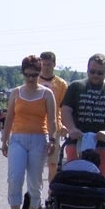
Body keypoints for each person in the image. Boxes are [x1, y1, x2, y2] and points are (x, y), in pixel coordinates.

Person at [1, 55, 56, 209]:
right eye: (27, 75)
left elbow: (52, 120)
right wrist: (4, 139)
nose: (31, 79)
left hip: (39, 139)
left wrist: (52, 139)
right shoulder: (16, 93)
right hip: (18, 138)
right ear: (23, 73)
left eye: (34, 75)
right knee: (15, 177)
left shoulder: (47, 93)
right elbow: (9, 117)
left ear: (39, 73)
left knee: (34, 179)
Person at [61, 53, 105, 189]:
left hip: (104, 144)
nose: (95, 75)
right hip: (77, 143)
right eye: (92, 72)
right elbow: (66, 110)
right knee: (73, 183)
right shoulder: (76, 87)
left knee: (101, 185)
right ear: (87, 70)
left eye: (100, 73)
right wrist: (71, 128)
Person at [38, 52, 69, 182]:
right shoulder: (35, 81)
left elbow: (65, 107)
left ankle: (52, 190)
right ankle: (35, 191)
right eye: (43, 64)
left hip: (54, 127)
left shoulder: (61, 84)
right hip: (37, 127)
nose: (45, 67)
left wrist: (64, 124)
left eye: (48, 64)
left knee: (53, 163)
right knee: (36, 164)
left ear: (54, 64)